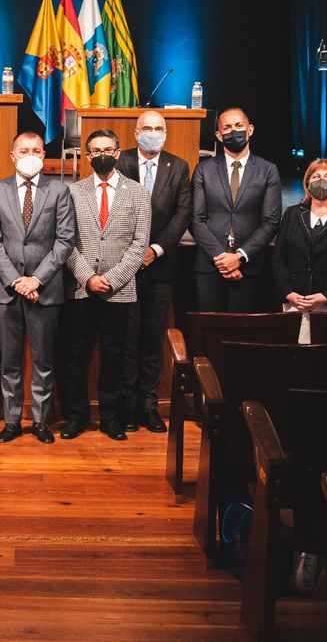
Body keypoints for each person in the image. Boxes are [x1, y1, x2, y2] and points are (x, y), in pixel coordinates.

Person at [0, 131, 75, 444]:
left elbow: (65, 241)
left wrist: (37, 279)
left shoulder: (59, 191)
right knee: (9, 361)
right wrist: (17, 281)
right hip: (7, 292)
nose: (30, 155)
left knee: (43, 361)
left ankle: (39, 421)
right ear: (12, 155)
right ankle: (11, 422)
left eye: (36, 150)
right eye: (24, 150)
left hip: (45, 290)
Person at [60, 129, 151, 441]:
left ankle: (111, 419)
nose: (101, 154)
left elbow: (140, 245)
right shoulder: (71, 192)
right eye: (94, 149)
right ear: (86, 156)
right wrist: (88, 277)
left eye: (107, 149)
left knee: (114, 356)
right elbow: (66, 243)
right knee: (76, 356)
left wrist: (111, 279)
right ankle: (76, 417)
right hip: (81, 287)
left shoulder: (138, 193)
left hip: (120, 289)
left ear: (117, 152)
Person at [115, 109, 191, 433]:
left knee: (153, 340)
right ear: (136, 133)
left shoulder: (179, 167)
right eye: (147, 128)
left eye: (159, 128)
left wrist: (155, 250)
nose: (153, 132)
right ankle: (128, 407)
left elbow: (182, 214)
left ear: (166, 133)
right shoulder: (122, 163)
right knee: (127, 341)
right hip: (126, 269)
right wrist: (135, 253)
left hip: (161, 267)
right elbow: (114, 211)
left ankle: (149, 405)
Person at [190, 107, 282, 312]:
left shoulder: (268, 170)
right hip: (209, 266)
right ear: (218, 135)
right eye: (227, 128)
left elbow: (271, 222)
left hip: (248, 266)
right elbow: (196, 219)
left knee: (241, 336)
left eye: (239, 126)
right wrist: (222, 260)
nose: (234, 131)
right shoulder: (203, 169)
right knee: (208, 333)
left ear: (250, 130)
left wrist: (239, 256)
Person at [271, 159, 327, 343]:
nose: (322, 180)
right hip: (296, 301)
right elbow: (278, 258)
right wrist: (288, 293)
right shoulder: (292, 214)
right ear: (307, 183)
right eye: (316, 176)